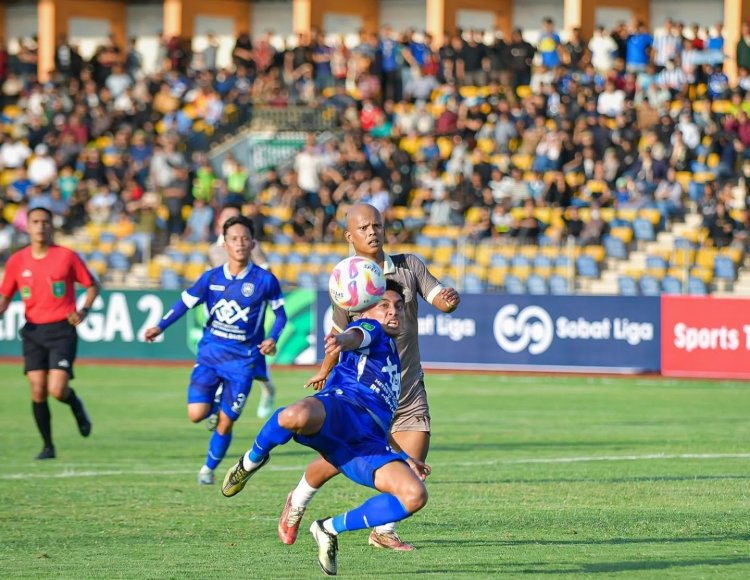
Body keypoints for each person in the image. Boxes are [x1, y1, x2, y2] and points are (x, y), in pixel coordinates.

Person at [279, 203, 460, 551]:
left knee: (414, 462)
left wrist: (450, 301)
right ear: (350, 236)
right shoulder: (347, 280)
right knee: (336, 461)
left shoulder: (409, 265)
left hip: (406, 386)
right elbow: (339, 335)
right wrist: (324, 370)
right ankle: (297, 503)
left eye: (376, 225)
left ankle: (383, 530)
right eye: (363, 228)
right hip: (362, 392)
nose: (372, 232)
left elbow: (440, 298)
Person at [222, 281, 430, 576]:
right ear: (366, 312)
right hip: (339, 409)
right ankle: (250, 461)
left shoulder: (393, 361)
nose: (393, 311)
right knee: (293, 414)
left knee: (414, 495)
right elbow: (353, 336)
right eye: (384, 305)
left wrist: (405, 457)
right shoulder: (373, 331)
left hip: (367, 440)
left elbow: (380, 421)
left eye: (398, 306)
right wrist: (340, 344)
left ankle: (327, 528)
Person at [144, 216, 287, 485]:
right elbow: (184, 303)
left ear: (253, 243)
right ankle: (214, 405)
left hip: (243, 362)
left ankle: (208, 469)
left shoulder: (265, 280)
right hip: (210, 354)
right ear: (224, 244)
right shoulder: (210, 278)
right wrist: (160, 326)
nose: (240, 243)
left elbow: (281, 315)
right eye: (234, 239)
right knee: (196, 415)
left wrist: (272, 337)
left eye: (245, 238)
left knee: (226, 422)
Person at [0, 206, 100, 460]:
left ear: (51, 226)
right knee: (37, 388)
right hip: (33, 330)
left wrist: (84, 311)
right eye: (35, 221)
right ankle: (48, 446)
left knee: (57, 389)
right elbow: (5, 296)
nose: (40, 226)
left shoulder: (66, 256)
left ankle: (75, 405)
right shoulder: (17, 261)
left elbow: (92, 286)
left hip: (61, 329)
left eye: (45, 221)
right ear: (28, 226)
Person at [207, 204, 276, 419]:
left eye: (234, 216)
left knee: (255, 363)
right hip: (224, 313)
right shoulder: (213, 249)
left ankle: (269, 391)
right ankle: (216, 403)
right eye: (226, 216)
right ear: (220, 223)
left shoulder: (250, 245)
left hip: (248, 312)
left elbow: (267, 270)